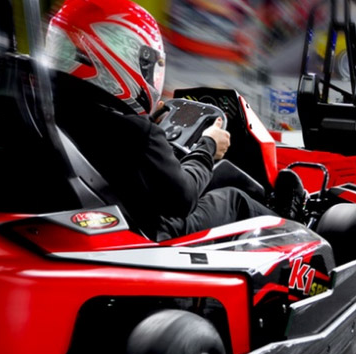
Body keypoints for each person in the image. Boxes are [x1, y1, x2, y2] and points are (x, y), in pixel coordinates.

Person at [45, 0, 304, 241]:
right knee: (234, 200)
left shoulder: (51, 107)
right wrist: (208, 146)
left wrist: (152, 129)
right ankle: (291, 229)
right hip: (149, 233)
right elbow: (183, 200)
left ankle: (270, 208)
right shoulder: (134, 133)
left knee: (222, 176)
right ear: (117, 55)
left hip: (93, 217)